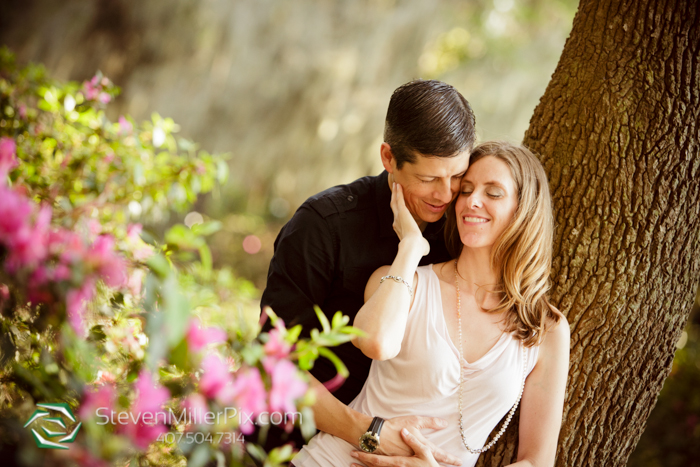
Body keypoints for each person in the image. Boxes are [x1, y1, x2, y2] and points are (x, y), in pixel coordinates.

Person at [293, 141, 570, 467]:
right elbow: (374, 342)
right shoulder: (407, 284)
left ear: (524, 209)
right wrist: (411, 245)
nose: (472, 201)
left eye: (493, 193)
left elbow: (537, 462)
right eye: (465, 190)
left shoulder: (546, 329)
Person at [260, 79, 476, 462]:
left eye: (457, 176)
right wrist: (369, 432)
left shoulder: (465, 233)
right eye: (429, 179)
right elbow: (272, 362)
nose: (445, 194)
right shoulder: (321, 225)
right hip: (293, 448)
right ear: (388, 158)